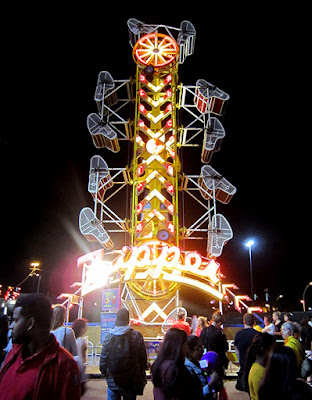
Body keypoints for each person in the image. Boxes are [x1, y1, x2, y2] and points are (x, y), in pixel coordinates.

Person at [0, 293, 81, 399]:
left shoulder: (64, 366)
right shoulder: (13, 354)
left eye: (15, 321)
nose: (11, 326)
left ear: (30, 324)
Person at [100, 308, 147, 400]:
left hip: (112, 379)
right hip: (131, 380)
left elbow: (103, 358)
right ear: (128, 320)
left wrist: (105, 372)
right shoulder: (136, 336)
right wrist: (142, 371)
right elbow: (142, 358)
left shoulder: (109, 336)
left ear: (116, 319)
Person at [152, 328, 203, 399]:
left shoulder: (160, 364)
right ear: (179, 345)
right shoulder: (173, 368)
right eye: (185, 344)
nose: (187, 348)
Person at [244, 332, 276, 400]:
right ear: (264, 350)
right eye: (273, 349)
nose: (275, 353)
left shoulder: (259, 368)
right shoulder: (259, 372)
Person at [234, 313, 258, 391]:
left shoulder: (238, 334)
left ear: (244, 321)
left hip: (243, 364)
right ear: (254, 322)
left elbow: (237, 351)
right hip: (255, 365)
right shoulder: (257, 335)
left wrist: (240, 361)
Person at [200, 311, 228, 376]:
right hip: (217, 360)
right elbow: (225, 348)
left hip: (205, 359)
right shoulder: (220, 333)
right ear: (219, 323)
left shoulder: (204, 331)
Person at [72, 318, 88, 396]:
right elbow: (81, 357)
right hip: (79, 369)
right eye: (85, 327)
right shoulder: (81, 340)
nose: (86, 329)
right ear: (81, 328)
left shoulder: (72, 338)